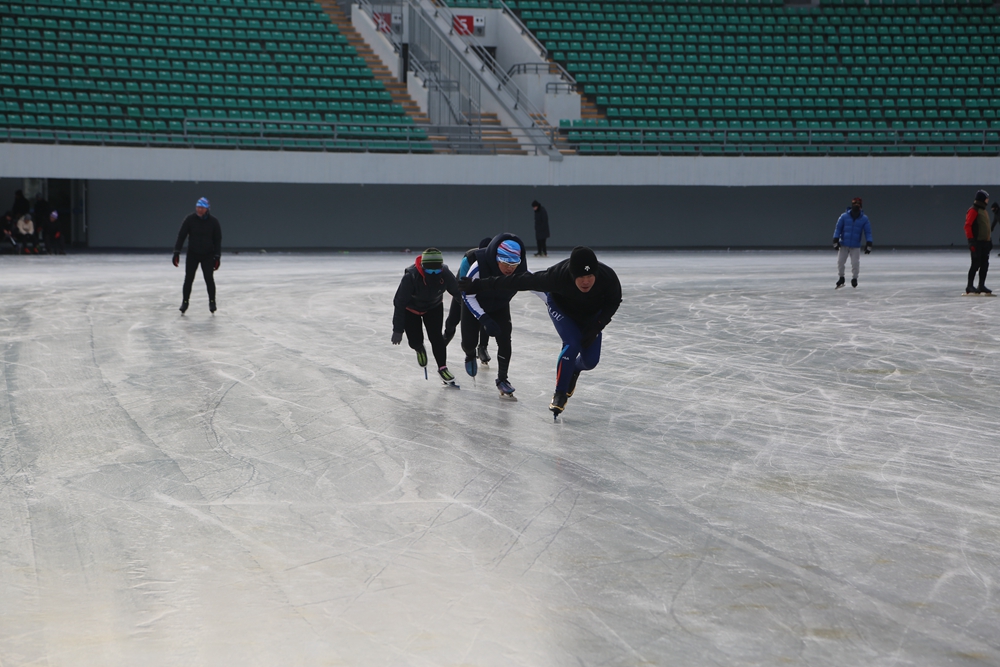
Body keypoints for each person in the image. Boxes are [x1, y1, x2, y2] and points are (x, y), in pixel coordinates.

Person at [460, 246, 622, 418]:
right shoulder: (556, 276)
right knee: (572, 344)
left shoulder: (608, 277)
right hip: (563, 310)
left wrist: (597, 326)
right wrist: (479, 285)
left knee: (590, 361)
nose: (586, 282)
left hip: (591, 316)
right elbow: (519, 281)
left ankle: (573, 369)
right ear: (572, 274)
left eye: (590, 276)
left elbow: (614, 301)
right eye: (581, 277)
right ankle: (560, 394)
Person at [459, 234, 528, 398]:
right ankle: (470, 354)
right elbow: (467, 296)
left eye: (514, 264)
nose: (510, 268)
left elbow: (539, 285)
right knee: (469, 342)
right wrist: (484, 319)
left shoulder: (521, 270)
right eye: (506, 263)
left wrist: (551, 302)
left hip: (499, 305)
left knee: (505, 339)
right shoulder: (478, 266)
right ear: (497, 259)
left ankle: (502, 379)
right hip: (475, 302)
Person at [391, 248, 461, 387]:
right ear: (422, 267)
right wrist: (398, 329)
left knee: (436, 338)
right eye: (429, 271)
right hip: (411, 310)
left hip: (434, 307)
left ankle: (442, 367)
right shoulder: (411, 277)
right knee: (414, 341)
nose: (433, 274)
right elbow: (399, 303)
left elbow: (458, 294)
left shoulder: (445, 274)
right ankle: (419, 348)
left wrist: (470, 312)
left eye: (437, 270)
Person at [173, 197, 222, 313]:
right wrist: (176, 252)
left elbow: (217, 240)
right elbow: (181, 236)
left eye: (202, 208)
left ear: (207, 209)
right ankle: (185, 302)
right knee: (189, 278)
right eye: (198, 207)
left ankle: (212, 301)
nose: (199, 210)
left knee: (209, 278)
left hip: (208, 255)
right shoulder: (190, 219)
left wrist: (217, 256)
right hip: (193, 254)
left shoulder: (213, 222)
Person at [832, 197, 872, 289]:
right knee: (840, 261)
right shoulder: (844, 216)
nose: (856, 206)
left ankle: (854, 278)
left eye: (858, 204)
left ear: (861, 206)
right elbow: (838, 228)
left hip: (855, 245)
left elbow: (868, 232)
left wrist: (869, 242)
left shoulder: (864, 219)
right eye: (854, 204)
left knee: (855, 263)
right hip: (844, 244)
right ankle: (841, 277)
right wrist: (835, 239)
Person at [965, 189, 993, 294]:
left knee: (985, 264)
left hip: (985, 243)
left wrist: (989, 240)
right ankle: (969, 286)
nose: (988, 200)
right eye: (986, 198)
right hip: (977, 243)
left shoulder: (983, 211)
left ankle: (981, 285)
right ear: (982, 199)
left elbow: (986, 228)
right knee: (975, 264)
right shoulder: (974, 210)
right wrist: (971, 241)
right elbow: (967, 226)